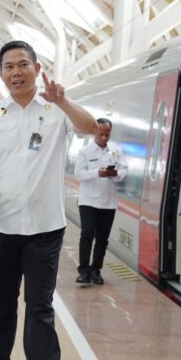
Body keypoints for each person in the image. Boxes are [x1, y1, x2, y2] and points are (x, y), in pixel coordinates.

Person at [0, 40, 97, 360]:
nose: (16, 72)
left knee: (40, 307)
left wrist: (63, 100)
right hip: (3, 226)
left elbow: (91, 127)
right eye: (8, 66)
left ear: (37, 68)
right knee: (4, 304)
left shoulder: (55, 112)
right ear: (1, 72)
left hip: (46, 227)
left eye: (23, 64)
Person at [74, 118, 127, 285]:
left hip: (108, 202)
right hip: (88, 200)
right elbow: (79, 174)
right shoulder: (85, 152)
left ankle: (96, 270)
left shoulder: (116, 151)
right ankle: (83, 271)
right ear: (94, 133)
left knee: (102, 238)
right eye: (101, 134)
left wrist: (115, 174)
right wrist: (97, 173)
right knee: (87, 234)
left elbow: (124, 170)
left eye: (107, 134)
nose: (104, 137)